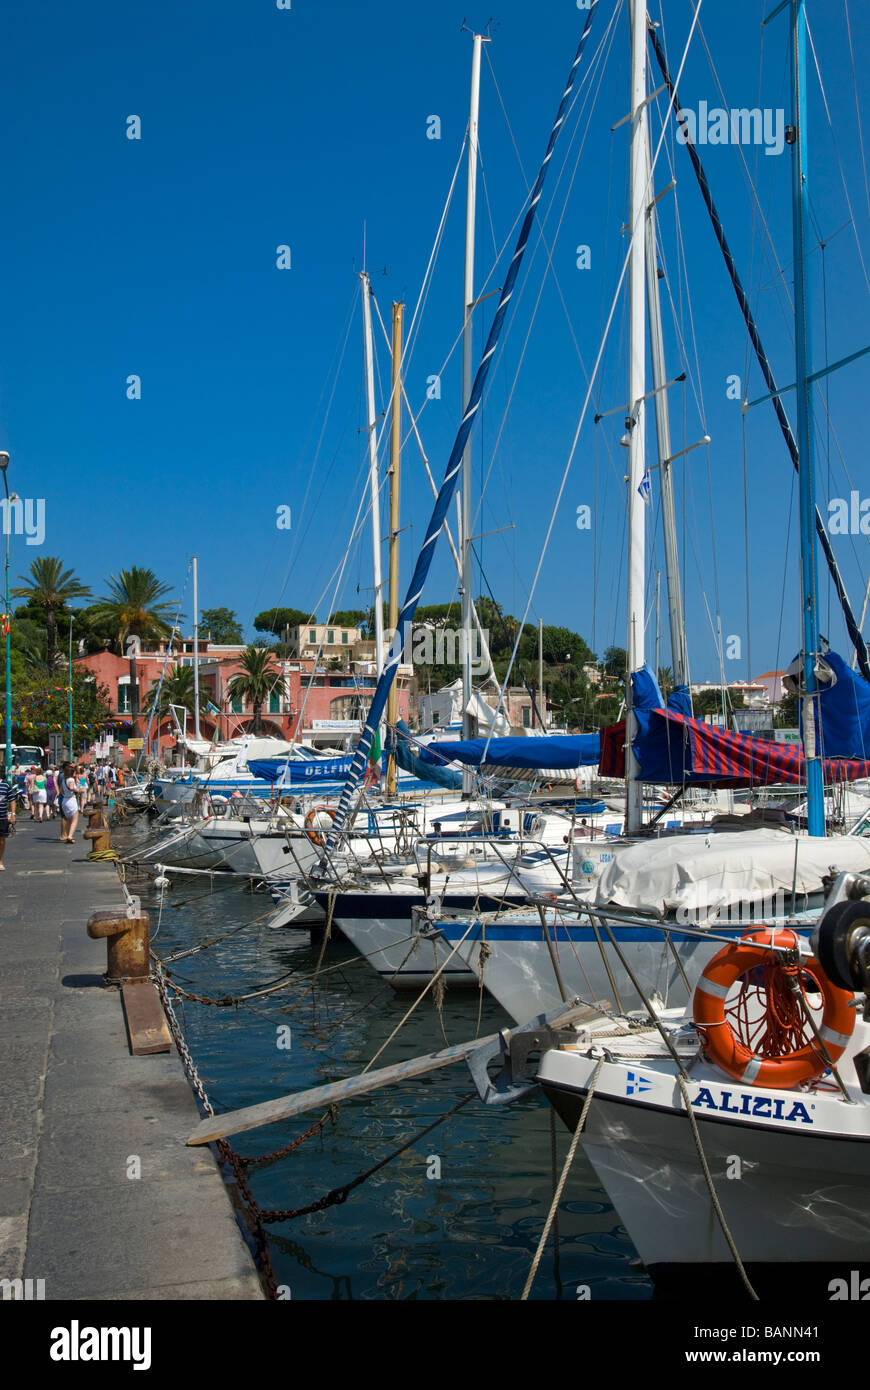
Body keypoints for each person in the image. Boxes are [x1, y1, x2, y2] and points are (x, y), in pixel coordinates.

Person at [57, 762, 80, 843]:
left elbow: (61, 791)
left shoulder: (64, 780)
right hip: (71, 800)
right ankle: (70, 836)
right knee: (75, 819)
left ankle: (67, 835)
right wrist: (77, 789)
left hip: (64, 800)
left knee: (68, 820)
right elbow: (71, 787)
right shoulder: (71, 779)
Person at [0, 765, 17, 869]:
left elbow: (12, 800)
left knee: (1, 839)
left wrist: (13, 814)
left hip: (2, 817)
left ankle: (0, 860)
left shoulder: (5, 785)